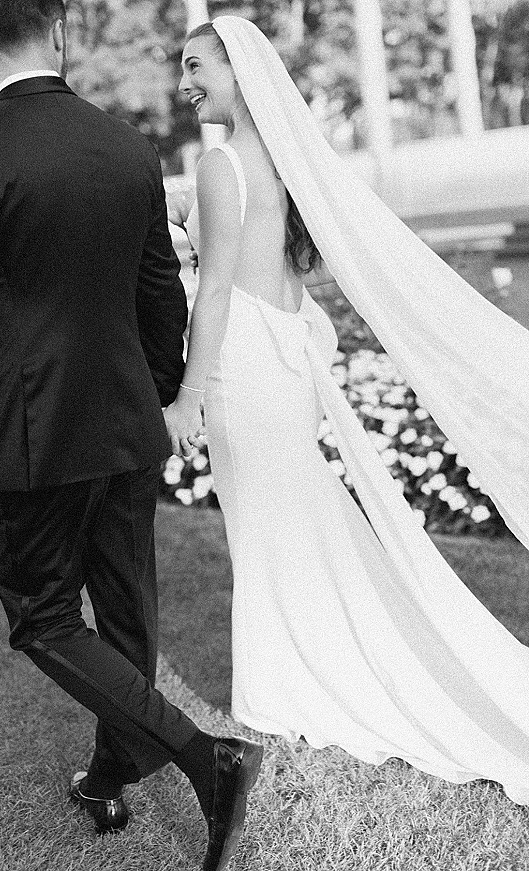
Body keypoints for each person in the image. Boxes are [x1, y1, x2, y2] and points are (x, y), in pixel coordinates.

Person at [165, 15, 529, 806]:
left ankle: (282, 686)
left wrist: (188, 393)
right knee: (287, 519)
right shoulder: (286, 161)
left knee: (263, 524)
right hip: (284, 358)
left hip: (245, 366)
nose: (184, 83)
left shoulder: (222, 165)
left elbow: (219, 288)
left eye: (196, 66)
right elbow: (286, 276)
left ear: (238, 69)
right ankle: (289, 671)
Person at [0, 3, 262, 868]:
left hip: (35, 430)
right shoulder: (129, 145)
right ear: (58, 32)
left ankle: (209, 759)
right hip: (128, 417)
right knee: (125, 614)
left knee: (42, 615)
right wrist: (167, 398)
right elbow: (159, 289)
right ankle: (105, 781)